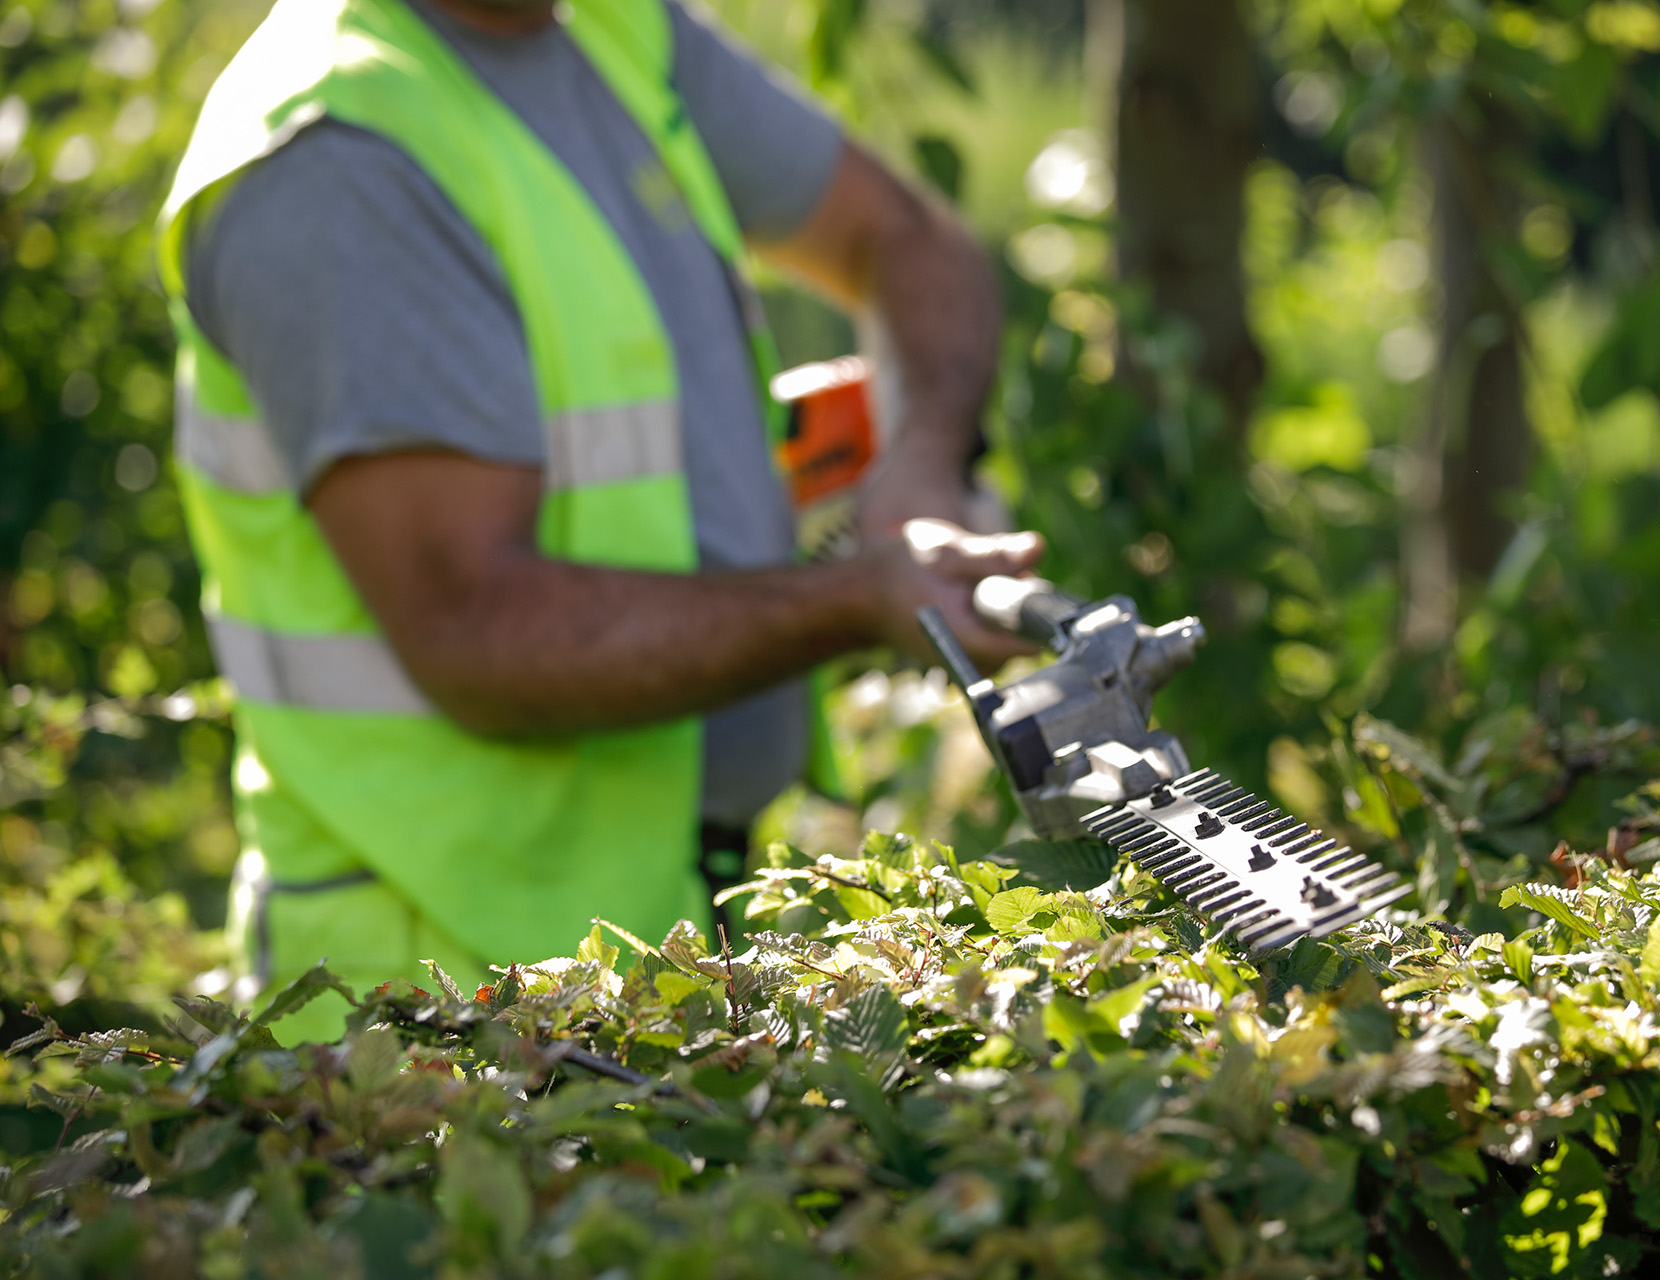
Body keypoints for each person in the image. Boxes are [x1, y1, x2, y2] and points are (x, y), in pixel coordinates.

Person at [159, 0, 1040, 1041]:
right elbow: (476, 633)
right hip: (424, 1016)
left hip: (638, 959)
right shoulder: (340, 156)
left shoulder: (610, 28)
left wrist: (923, 463)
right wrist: (860, 597)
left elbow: (902, 237)